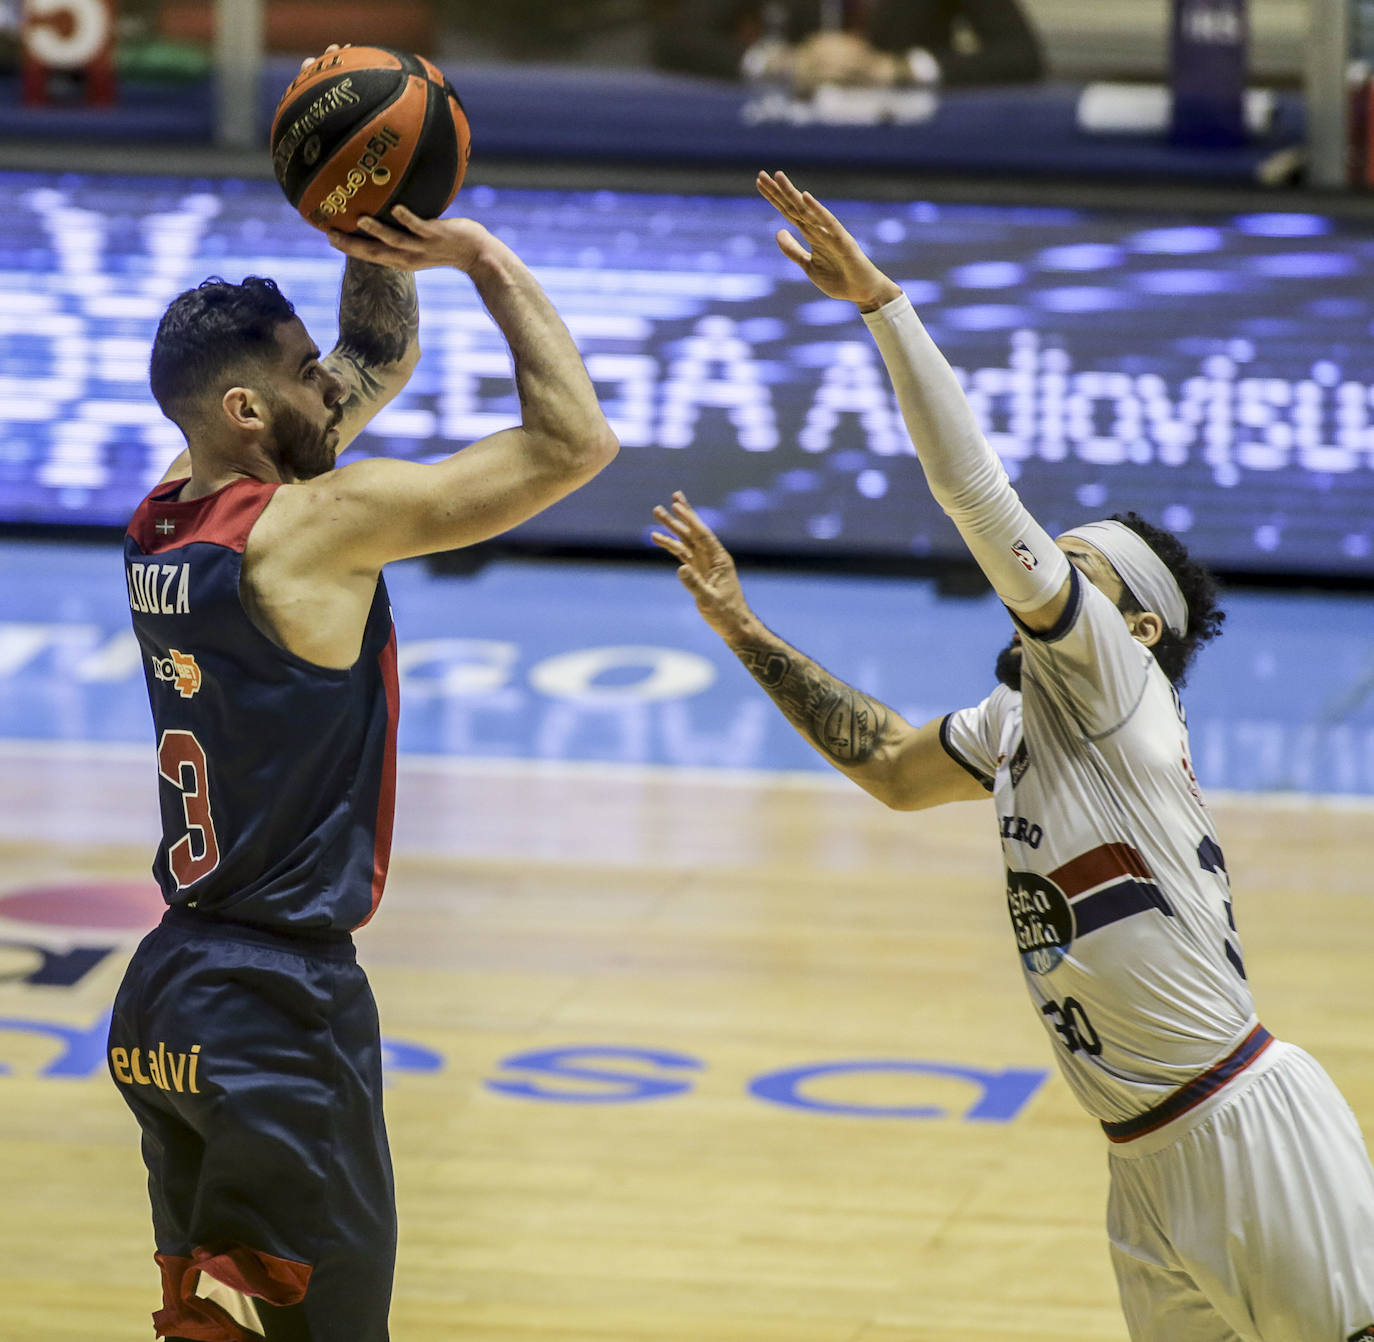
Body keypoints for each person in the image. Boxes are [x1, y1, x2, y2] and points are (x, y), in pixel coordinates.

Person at [651, 171, 1374, 1342]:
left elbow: (976, 495)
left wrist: (883, 303)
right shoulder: (1021, 724)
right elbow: (886, 762)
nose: (1045, 573)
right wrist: (743, 627)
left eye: (1075, 566)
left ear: (1135, 628)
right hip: (1143, 1158)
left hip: (1244, 1128)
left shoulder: (1117, 685)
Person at [108, 89, 619, 1342]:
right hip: (279, 1009)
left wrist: (358, 228)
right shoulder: (319, 532)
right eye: (299, 377)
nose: (329, 388)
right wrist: (480, 256)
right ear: (245, 412)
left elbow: (372, 362)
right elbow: (574, 442)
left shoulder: (166, 510)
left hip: (167, 999)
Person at [650, 0, 1043, 94]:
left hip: (913, 148)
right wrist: (781, 61)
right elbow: (675, 39)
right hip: (788, 145)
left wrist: (900, 69)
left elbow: (1021, 54)